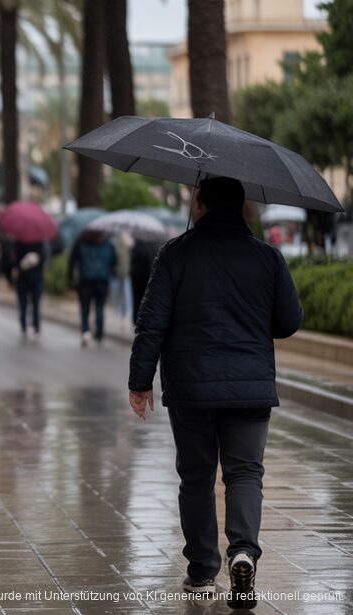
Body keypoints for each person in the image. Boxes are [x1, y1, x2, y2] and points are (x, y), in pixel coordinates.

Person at [128, 177, 302, 608]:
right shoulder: (268, 258)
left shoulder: (175, 254)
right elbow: (288, 321)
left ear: (200, 203)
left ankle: (203, 571)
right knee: (245, 473)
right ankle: (243, 550)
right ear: (241, 208)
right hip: (251, 388)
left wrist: (139, 380)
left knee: (197, 478)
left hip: (190, 388)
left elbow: (152, 323)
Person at [68, 228, 116, 347]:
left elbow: (72, 261)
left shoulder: (81, 242)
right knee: (99, 307)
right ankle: (99, 332)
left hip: (85, 280)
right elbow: (114, 261)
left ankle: (85, 331)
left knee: (85, 308)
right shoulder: (108, 243)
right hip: (102, 280)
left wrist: (70, 278)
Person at [5, 240, 47, 339]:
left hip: (24, 279)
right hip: (34, 279)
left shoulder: (19, 243)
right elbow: (44, 260)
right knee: (34, 303)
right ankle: (35, 326)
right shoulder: (39, 243)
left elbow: (13, 262)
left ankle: (25, 326)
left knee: (25, 304)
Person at [110, 232, 134, 327]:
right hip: (116, 273)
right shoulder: (113, 242)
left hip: (127, 273)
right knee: (117, 294)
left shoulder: (130, 242)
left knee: (127, 294)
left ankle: (126, 314)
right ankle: (119, 313)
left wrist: (130, 246)